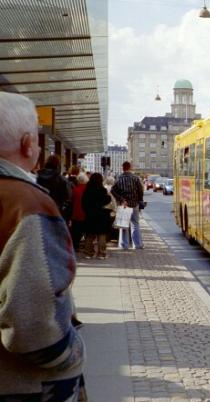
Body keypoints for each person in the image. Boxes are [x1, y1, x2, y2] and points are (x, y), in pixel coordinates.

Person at [0, 92, 85, 400]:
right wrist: (72, 355)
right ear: (27, 143)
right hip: (23, 384)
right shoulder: (26, 203)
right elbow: (34, 326)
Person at [111, 161, 144, 250]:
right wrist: (139, 200)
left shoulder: (119, 178)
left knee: (123, 225)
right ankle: (137, 245)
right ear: (130, 167)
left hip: (124, 205)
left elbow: (113, 190)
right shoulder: (136, 178)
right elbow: (140, 191)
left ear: (123, 168)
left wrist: (121, 200)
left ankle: (124, 245)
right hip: (134, 204)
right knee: (135, 224)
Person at [82, 173, 113, 259]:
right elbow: (106, 200)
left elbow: (83, 203)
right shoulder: (101, 190)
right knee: (101, 234)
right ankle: (101, 253)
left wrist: (87, 211)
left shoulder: (87, 190)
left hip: (90, 215)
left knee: (90, 234)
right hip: (100, 215)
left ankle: (88, 253)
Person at [36, 154, 72, 220]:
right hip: (55, 211)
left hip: (38, 211)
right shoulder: (61, 179)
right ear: (58, 165)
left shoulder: (36, 176)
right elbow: (66, 197)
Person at [70, 172, 89, 253]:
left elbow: (71, 201)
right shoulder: (88, 189)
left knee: (76, 231)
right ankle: (87, 246)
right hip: (86, 213)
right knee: (85, 230)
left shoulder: (75, 190)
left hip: (76, 213)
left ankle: (76, 245)